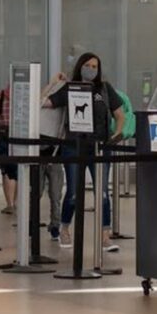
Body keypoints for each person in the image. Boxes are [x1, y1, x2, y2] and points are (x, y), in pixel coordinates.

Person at [44, 52, 126, 252]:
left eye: (94, 66)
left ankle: (105, 235)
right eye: (87, 65)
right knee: (73, 192)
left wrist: (116, 134)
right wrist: (52, 83)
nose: (91, 69)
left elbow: (119, 114)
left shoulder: (104, 89)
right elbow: (44, 102)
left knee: (103, 193)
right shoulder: (70, 88)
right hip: (73, 146)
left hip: (99, 147)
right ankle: (64, 229)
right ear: (80, 66)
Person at [39, 74, 67, 240]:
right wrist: (52, 84)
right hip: (42, 149)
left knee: (55, 193)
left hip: (55, 151)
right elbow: (39, 101)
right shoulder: (49, 100)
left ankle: (55, 224)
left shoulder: (64, 102)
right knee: (40, 192)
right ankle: (33, 222)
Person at [0, 84, 19, 215]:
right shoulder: (23, 96)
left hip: (2, 137)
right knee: (18, 170)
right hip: (19, 137)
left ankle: (10, 204)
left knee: (6, 172)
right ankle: (16, 202)